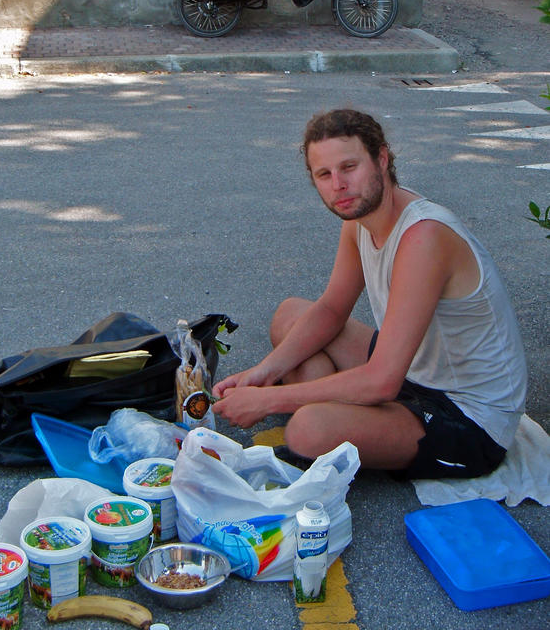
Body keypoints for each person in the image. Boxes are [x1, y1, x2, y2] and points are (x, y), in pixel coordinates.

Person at [212, 109, 527, 479]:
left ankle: (337, 415)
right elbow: (331, 309)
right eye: (324, 175)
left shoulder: (424, 236)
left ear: (382, 159)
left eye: (349, 167)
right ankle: (345, 412)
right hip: (412, 369)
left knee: (308, 429)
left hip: (467, 416)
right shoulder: (359, 221)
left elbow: (382, 380)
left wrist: (268, 401)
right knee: (291, 315)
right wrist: (262, 374)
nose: (338, 185)